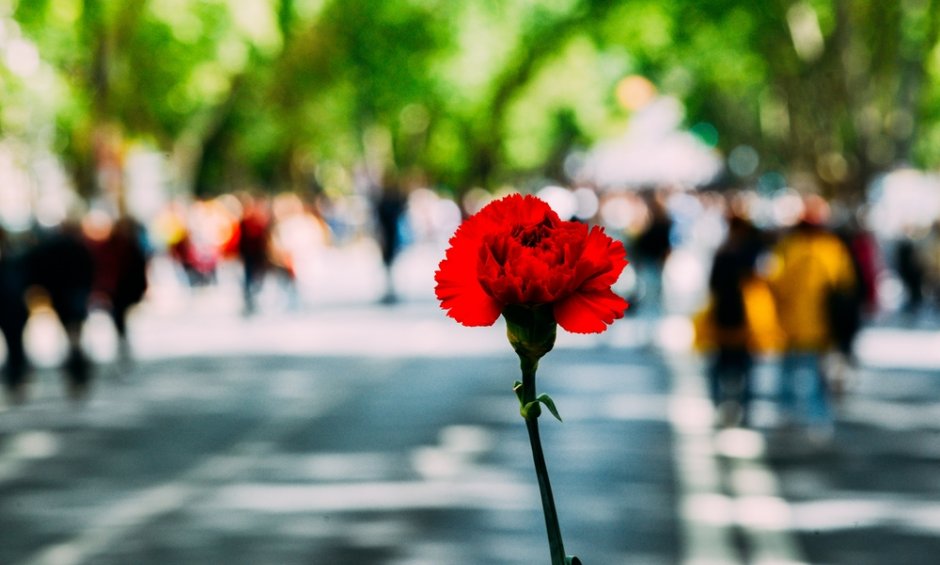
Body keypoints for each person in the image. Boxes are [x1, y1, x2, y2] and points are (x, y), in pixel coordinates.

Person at [766, 196, 857, 440]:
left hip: (791, 324)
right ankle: (817, 419)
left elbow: (775, 281)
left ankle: (788, 413)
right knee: (815, 375)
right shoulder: (832, 248)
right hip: (818, 326)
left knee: (790, 371)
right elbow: (845, 284)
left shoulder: (789, 247)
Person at [702, 215, 768, 426]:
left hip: (726, 318)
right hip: (745, 319)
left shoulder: (725, 254)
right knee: (744, 368)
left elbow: (712, 286)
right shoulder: (753, 256)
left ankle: (720, 406)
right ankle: (743, 410)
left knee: (721, 367)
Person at [28, 220, 96, 400]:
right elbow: (89, 269)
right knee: (75, 333)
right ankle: (77, 365)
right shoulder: (77, 246)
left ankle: (75, 366)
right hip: (75, 294)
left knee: (70, 332)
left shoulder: (49, 248)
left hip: (61, 295)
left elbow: (39, 272)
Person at [0, 227, 31, 403]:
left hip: (14, 309)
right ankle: (14, 376)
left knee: (15, 344)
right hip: (10, 309)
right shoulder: (14, 260)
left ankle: (16, 377)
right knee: (14, 344)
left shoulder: (15, 261)